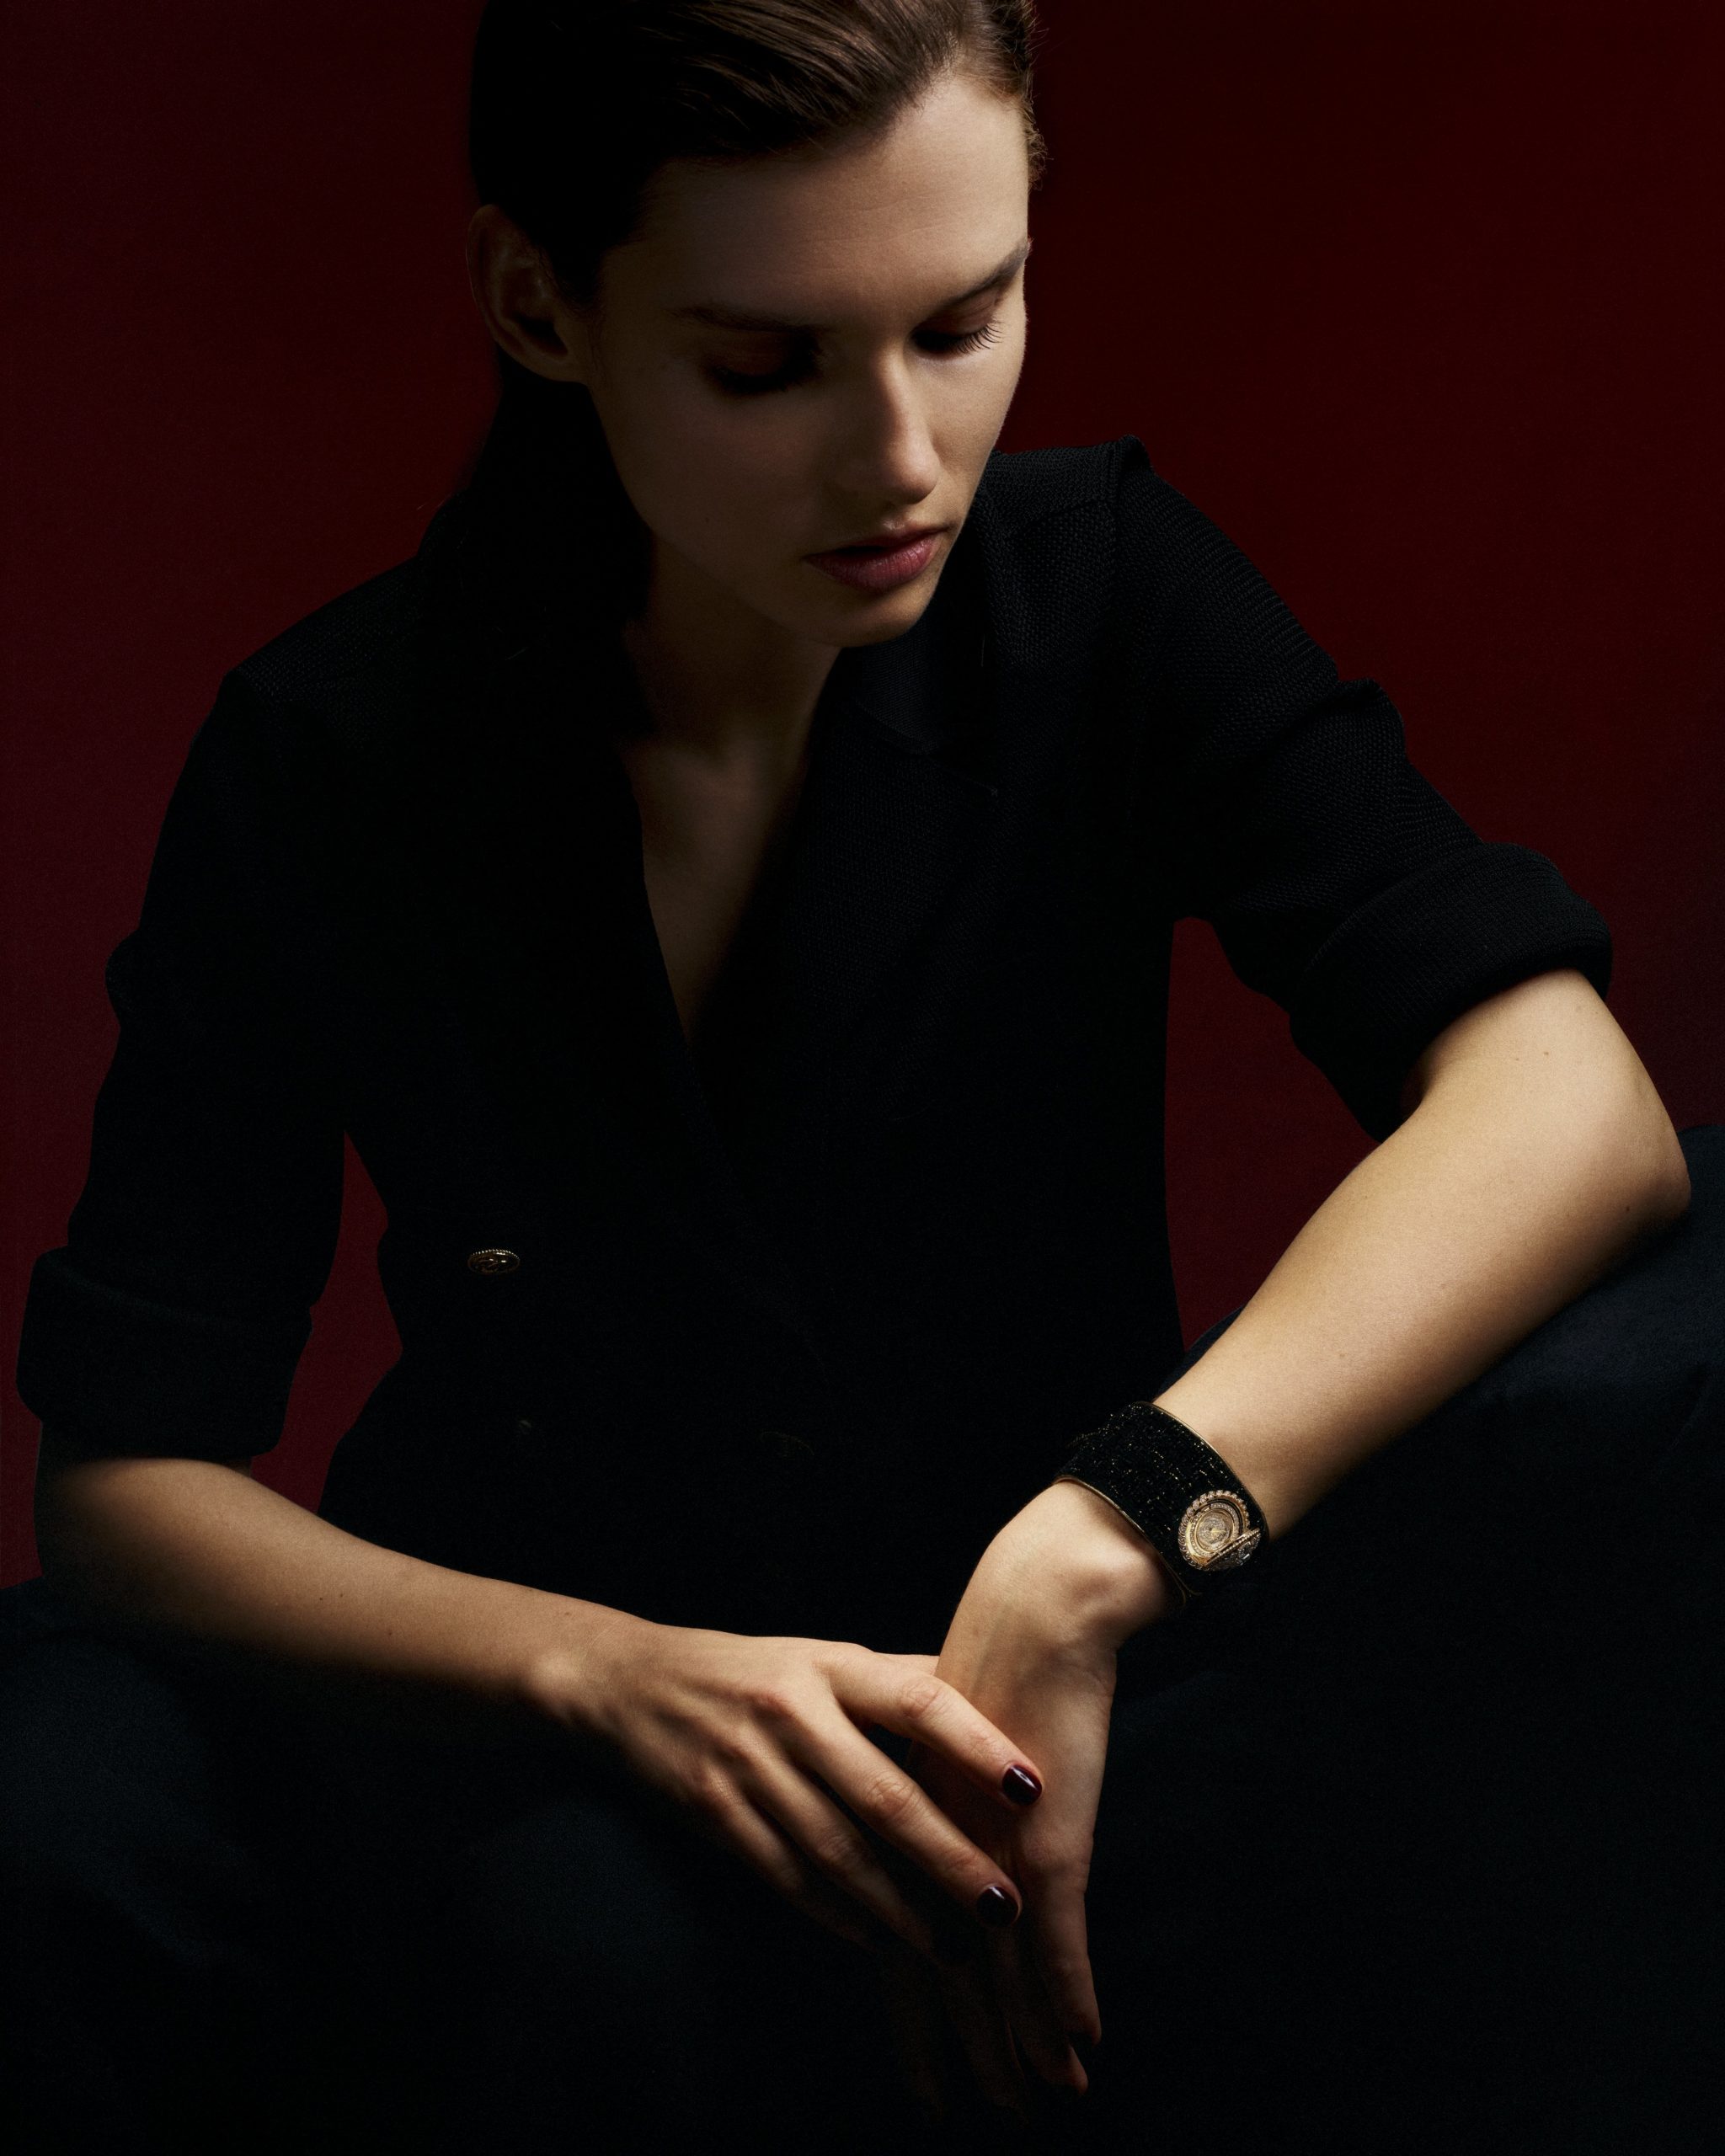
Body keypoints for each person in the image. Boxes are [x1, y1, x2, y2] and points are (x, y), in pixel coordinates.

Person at [4, 3, 1720, 2151]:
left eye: (964, 321)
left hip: (1007, 1663)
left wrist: (1113, 1524)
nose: (902, 456)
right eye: (768, 363)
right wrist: (611, 1672)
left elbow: (1567, 1098)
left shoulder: (1104, 597)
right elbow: (126, 1485)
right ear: (538, 304)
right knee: (93, 1822)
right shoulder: (336, 748)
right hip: (500, 1676)